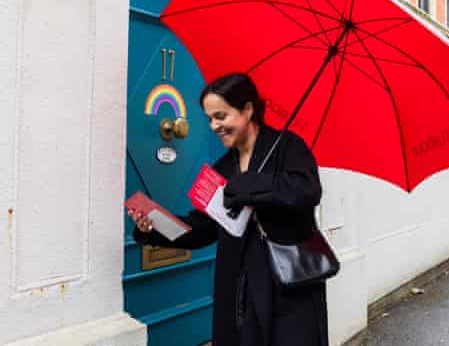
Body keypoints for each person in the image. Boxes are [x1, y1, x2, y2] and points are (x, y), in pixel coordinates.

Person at [128, 73, 328, 346]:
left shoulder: (288, 147)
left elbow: (307, 191)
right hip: (239, 291)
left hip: (288, 284)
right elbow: (202, 230)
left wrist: (248, 185)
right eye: (210, 118)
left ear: (247, 109)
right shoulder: (222, 168)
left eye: (221, 116)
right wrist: (154, 226)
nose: (214, 126)